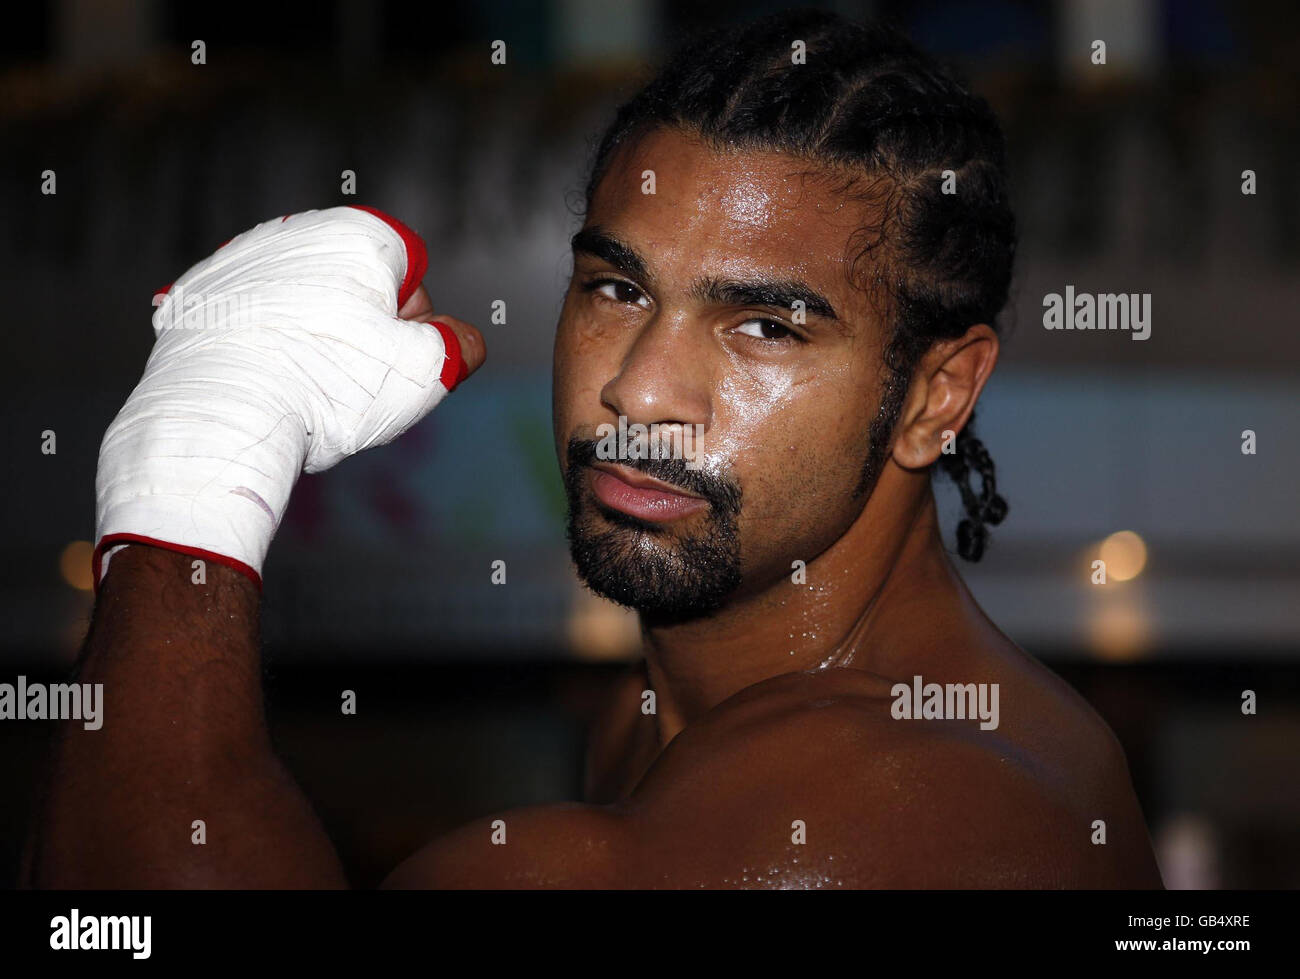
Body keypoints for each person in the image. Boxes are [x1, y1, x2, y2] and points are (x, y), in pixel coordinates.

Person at [26, 11, 1162, 888]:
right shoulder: (659, 713)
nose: (638, 387)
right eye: (618, 287)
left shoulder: (899, 808)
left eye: (764, 324)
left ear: (935, 393)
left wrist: (185, 484)